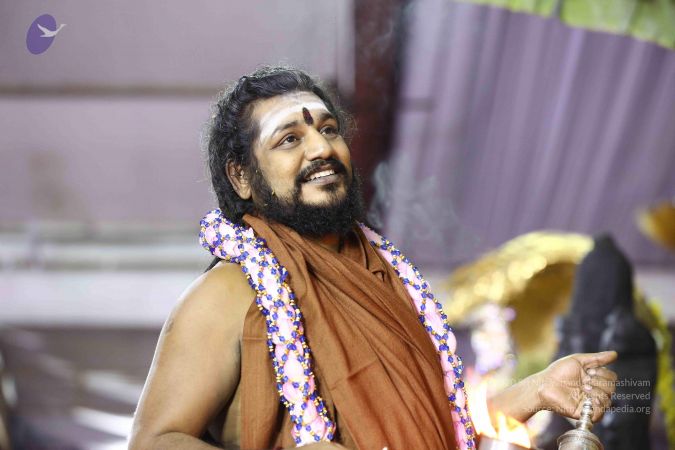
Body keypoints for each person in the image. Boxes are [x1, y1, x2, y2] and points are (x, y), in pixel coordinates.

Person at [129, 67, 617, 450]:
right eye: (290, 139)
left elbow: (431, 431)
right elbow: (153, 442)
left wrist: (536, 390)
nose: (321, 148)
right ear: (241, 177)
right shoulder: (227, 293)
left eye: (329, 129)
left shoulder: (386, 275)